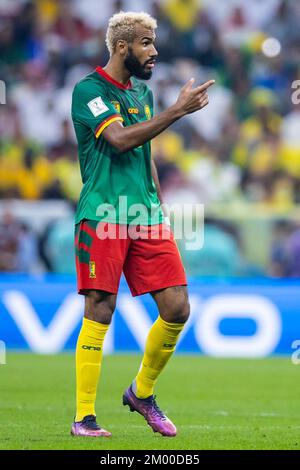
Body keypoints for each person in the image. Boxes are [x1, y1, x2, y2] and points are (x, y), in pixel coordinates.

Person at [71, 11, 214, 438]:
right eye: (147, 43)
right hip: (103, 215)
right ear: (122, 47)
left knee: (177, 307)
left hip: (146, 218)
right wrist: (177, 112)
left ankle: (141, 392)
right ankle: (84, 418)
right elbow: (118, 140)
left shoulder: (141, 94)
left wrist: (159, 204)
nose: (154, 51)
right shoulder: (88, 91)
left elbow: (145, 153)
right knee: (101, 309)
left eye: (153, 42)